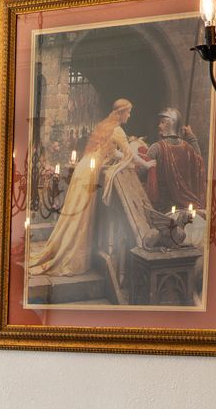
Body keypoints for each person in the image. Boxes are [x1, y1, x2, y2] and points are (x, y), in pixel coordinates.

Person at [26, 98, 139, 280]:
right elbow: (129, 155)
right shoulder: (117, 129)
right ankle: (72, 258)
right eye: (128, 112)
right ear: (120, 113)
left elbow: (112, 152)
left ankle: (70, 252)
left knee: (75, 213)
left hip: (84, 167)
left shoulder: (105, 125)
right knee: (80, 216)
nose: (130, 115)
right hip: (90, 172)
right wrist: (148, 163)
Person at [143, 107, 205, 212]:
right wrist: (191, 136)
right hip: (187, 204)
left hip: (163, 207)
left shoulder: (156, 148)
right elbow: (199, 160)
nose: (159, 126)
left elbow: (143, 172)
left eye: (162, 122)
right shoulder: (187, 147)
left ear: (170, 124)